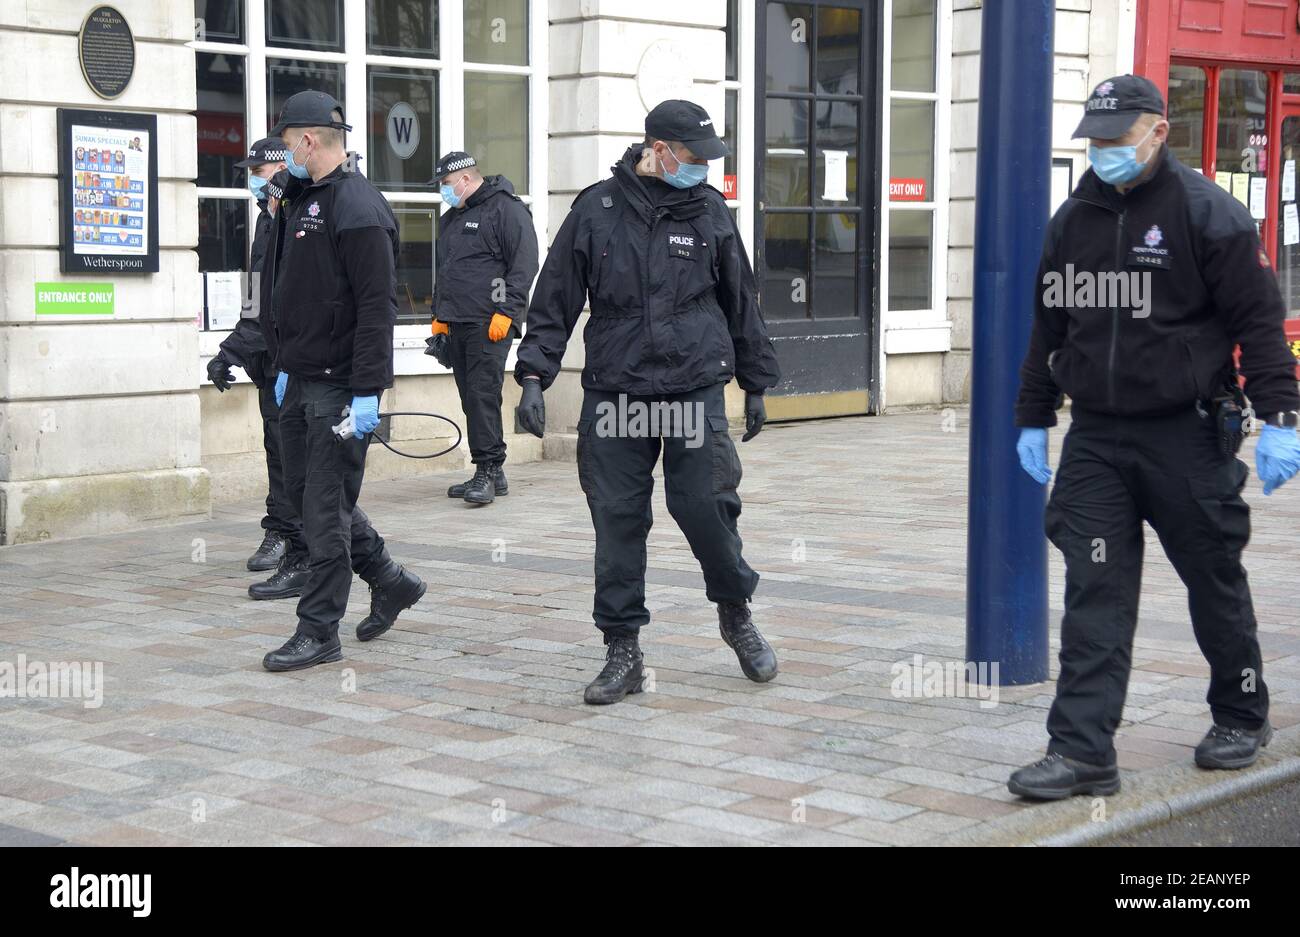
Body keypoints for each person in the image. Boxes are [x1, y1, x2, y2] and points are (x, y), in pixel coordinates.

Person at [1009, 75, 1300, 800]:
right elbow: (1050, 325)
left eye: (1116, 139)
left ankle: (1241, 711)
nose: (1103, 152)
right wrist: (1034, 415)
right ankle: (1081, 752)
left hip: (1187, 434)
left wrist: (1282, 418)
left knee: (1212, 579)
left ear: (1157, 131)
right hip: (1099, 437)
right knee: (1093, 587)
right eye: (1095, 140)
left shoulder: (1208, 214)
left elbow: (1260, 325)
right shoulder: (1072, 218)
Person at [514, 100, 782, 705]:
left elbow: (740, 295)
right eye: (691, 157)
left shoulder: (709, 210)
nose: (701, 169)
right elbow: (554, 296)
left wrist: (756, 380)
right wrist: (533, 376)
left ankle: (735, 613)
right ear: (657, 150)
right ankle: (622, 650)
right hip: (617, 390)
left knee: (707, 506)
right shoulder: (596, 210)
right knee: (616, 517)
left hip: (692, 384)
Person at [257, 90, 427, 672]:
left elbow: (377, 309)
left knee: (325, 511)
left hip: (339, 386)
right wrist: (281, 365)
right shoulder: (304, 198)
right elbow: (289, 296)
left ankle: (318, 628)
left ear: (307, 141)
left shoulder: (358, 207)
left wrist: (364, 392)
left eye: (285, 145)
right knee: (313, 501)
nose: (281, 158)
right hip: (300, 378)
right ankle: (389, 578)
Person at [206, 138, 301, 575]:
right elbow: (257, 301)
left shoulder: (295, 216)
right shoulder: (268, 220)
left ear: (280, 169)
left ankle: (293, 536)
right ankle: (286, 532)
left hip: (298, 358)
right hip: (270, 358)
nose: (252, 181)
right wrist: (230, 352)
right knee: (278, 450)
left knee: (296, 455)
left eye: (258, 172)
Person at [427, 150, 539, 504]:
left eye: (445, 184)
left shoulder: (507, 210)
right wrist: (439, 315)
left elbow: (524, 264)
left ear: (464, 178)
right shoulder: (453, 218)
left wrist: (507, 312)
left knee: (482, 394)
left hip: (489, 322)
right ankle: (493, 472)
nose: (443, 191)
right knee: (470, 398)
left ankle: (487, 469)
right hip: (457, 320)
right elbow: (446, 271)